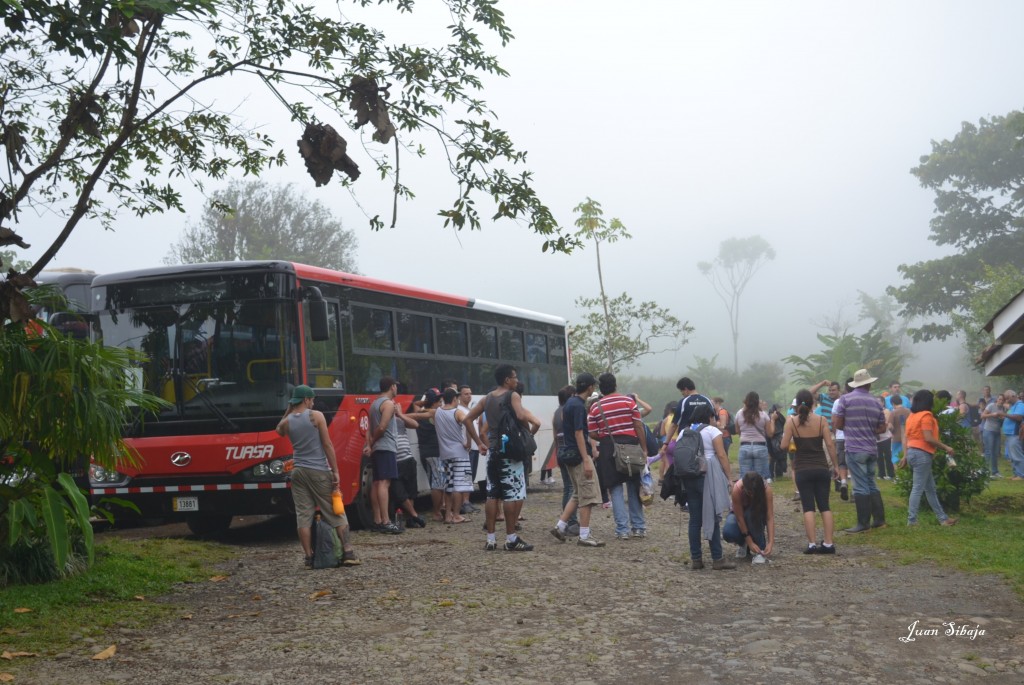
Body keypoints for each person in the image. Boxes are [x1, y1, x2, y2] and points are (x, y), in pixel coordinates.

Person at [276, 385, 360, 567]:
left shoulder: (287, 421)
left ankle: (308, 557)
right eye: (311, 399)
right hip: (319, 470)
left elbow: (278, 430)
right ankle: (348, 552)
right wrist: (335, 471)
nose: (313, 402)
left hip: (298, 472)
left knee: (303, 515)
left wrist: (290, 409)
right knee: (335, 511)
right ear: (306, 400)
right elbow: (327, 444)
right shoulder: (316, 416)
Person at [463, 364, 541, 551]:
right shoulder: (512, 395)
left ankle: (490, 540)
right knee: (511, 495)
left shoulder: (487, 398)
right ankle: (511, 539)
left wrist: (480, 443)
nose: (517, 380)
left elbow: (467, 419)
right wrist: (526, 432)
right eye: (515, 377)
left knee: (492, 494)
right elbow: (521, 415)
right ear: (507, 380)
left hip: (493, 451)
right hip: (511, 453)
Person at [587, 373, 648, 541]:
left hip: (608, 449)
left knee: (615, 488)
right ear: (615, 385)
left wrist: (606, 438)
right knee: (633, 486)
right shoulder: (629, 402)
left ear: (601, 387)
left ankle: (622, 530)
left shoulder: (595, 406)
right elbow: (638, 425)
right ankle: (638, 527)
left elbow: (592, 432)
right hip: (630, 446)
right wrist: (644, 448)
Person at [779, 388, 838, 554]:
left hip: (802, 469)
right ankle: (828, 543)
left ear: (797, 404)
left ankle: (812, 544)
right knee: (824, 506)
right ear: (814, 403)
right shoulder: (821, 421)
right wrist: (835, 466)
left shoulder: (792, 422)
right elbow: (830, 445)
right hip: (821, 468)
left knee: (808, 507)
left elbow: (783, 446)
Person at [551, 373, 605, 547]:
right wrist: (586, 459)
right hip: (579, 455)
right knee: (587, 496)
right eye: (593, 386)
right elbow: (579, 433)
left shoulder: (568, 404)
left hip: (567, 453)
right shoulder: (579, 406)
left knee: (576, 493)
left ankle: (560, 526)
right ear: (589, 387)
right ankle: (584, 535)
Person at [680, 404, 735, 570]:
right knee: (712, 516)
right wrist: (729, 478)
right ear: (709, 417)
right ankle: (718, 558)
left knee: (695, 519)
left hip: (689, 476)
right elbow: (721, 455)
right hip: (707, 476)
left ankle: (696, 559)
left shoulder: (684, 431)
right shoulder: (712, 431)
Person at [832, 368, 887, 533]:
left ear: (855, 385)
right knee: (871, 483)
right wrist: (868, 429)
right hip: (871, 448)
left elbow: (838, 424)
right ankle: (879, 520)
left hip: (855, 448)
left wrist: (854, 427)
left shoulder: (845, 400)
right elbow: (882, 427)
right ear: (869, 384)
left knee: (860, 486)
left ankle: (863, 524)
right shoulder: (877, 402)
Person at [898, 389, 958, 527]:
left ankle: (943, 519)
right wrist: (946, 447)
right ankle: (912, 520)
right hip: (922, 454)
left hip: (913, 452)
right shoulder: (926, 416)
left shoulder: (912, 416)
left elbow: (906, 438)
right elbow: (928, 438)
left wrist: (906, 456)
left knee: (930, 489)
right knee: (918, 488)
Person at [364, 377, 403, 534]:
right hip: (385, 446)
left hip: (377, 448)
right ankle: (386, 521)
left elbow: (368, 428)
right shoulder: (388, 404)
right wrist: (372, 442)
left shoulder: (374, 404)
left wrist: (369, 445)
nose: (397, 389)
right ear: (392, 387)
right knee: (384, 483)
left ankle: (377, 519)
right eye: (396, 386)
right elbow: (382, 427)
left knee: (376, 483)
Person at [435, 387, 479, 524]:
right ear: (455, 399)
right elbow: (468, 422)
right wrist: (471, 441)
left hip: (445, 454)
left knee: (449, 485)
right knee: (459, 486)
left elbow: (421, 415)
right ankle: (456, 515)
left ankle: (448, 516)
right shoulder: (457, 412)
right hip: (459, 453)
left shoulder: (438, 412)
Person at [722, 472, 775, 563]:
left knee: (752, 515)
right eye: (749, 492)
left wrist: (771, 543)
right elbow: (740, 518)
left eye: (755, 493)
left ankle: (761, 549)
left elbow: (770, 518)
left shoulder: (767, 490)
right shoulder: (737, 489)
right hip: (738, 515)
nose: (752, 496)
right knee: (728, 532)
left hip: (757, 516)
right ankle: (743, 543)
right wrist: (749, 541)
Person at [390, 401, 427, 528]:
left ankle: (411, 519)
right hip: (395, 461)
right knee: (400, 493)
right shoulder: (383, 421)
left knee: (411, 491)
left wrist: (400, 414)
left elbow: (415, 424)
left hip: (408, 458)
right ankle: (414, 515)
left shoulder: (400, 420)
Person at [551, 384, 580, 536]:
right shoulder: (569, 411)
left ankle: (568, 519)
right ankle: (572, 521)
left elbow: (555, 435)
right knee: (573, 488)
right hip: (571, 451)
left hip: (561, 451)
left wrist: (557, 452)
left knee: (567, 487)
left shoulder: (556, 412)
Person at [735, 391, 773, 484]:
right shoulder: (763, 414)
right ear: (757, 402)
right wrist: (774, 421)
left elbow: (737, 431)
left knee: (744, 478)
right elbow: (770, 433)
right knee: (760, 478)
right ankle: (759, 496)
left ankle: (746, 497)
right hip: (760, 446)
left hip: (745, 446)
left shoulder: (739, 413)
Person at [997, 390, 1024, 480]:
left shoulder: (1020, 405)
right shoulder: (1013, 406)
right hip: (1009, 435)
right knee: (1011, 456)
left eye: (1008, 398)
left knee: (1017, 455)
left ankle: (1021, 475)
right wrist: (1004, 416)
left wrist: (1004, 414)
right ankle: (1016, 474)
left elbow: (1019, 417)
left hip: (1015, 434)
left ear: (1014, 396)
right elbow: (1011, 416)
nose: (1007, 400)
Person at [980, 393, 1005, 477]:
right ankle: (986, 471)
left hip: (997, 431)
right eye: (1000, 399)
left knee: (995, 452)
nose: (1001, 401)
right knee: (988, 451)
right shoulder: (991, 406)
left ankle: (995, 471)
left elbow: (1001, 422)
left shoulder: (1003, 408)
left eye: (1003, 400)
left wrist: (1002, 419)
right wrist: (992, 414)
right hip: (988, 430)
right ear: (997, 399)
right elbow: (982, 415)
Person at [889, 394, 910, 468]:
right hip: (907, 438)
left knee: (895, 458)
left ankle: (898, 476)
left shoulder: (893, 412)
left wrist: (891, 430)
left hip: (896, 438)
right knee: (906, 456)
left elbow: (890, 426)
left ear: (893, 403)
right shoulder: (908, 411)